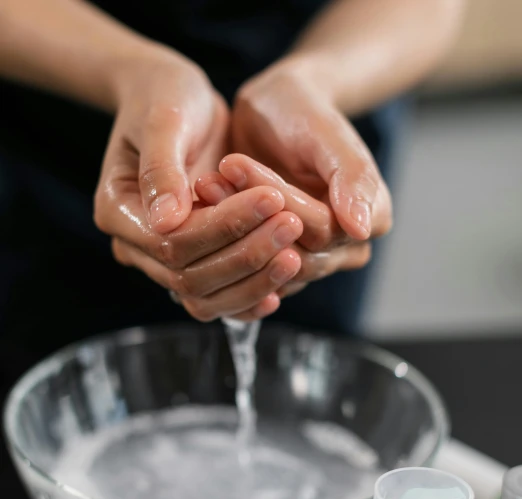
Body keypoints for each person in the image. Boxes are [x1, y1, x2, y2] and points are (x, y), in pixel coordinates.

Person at [0, 0, 464, 354]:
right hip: (56, 135)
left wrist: (316, 80)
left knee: (301, 359)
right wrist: (133, 72)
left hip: (312, 144)